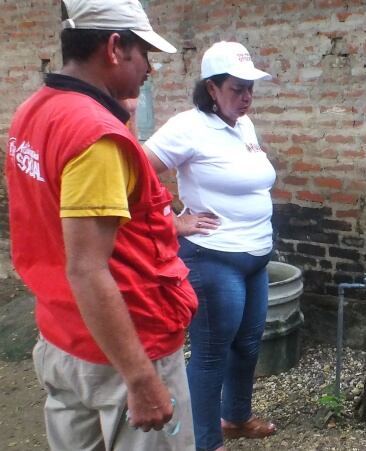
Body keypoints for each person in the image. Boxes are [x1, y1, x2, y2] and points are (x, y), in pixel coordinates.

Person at [5, 1, 197, 450]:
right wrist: (142, 379)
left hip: (62, 335)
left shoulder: (34, 110)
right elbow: (87, 268)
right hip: (125, 348)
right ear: (114, 48)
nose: (149, 68)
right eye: (143, 54)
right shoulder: (96, 138)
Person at [144, 41, 277, 451]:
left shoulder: (243, 125)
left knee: (248, 343)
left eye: (250, 87)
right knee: (210, 352)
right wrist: (173, 222)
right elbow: (137, 172)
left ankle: (235, 417)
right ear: (212, 89)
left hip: (255, 257)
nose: (247, 96)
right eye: (237, 88)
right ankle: (206, 442)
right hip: (213, 258)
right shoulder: (189, 126)